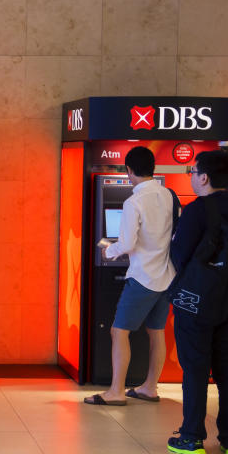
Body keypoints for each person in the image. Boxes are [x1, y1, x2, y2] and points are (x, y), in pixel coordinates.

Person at [167, 150, 228, 454]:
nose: (192, 177)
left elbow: (179, 256)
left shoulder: (196, 211)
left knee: (194, 368)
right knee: (227, 371)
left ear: (203, 177)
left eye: (193, 172)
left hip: (196, 303)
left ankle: (191, 438)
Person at [84, 146, 177, 406]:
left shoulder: (133, 201)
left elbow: (125, 244)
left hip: (142, 277)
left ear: (129, 171)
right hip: (166, 276)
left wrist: (106, 249)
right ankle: (150, 387)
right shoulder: (168, 195)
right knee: (156, 332)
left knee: (118, 331)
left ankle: (115, 391)